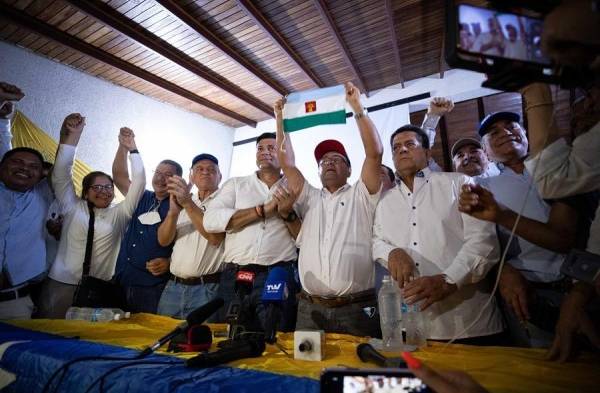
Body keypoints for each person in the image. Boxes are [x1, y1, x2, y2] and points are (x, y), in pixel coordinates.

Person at [459, 112, 585, 347]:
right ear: (487, 152)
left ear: (526, 134)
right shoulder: (481, 188)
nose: (505, 132)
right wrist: (501, 269)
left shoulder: (561, 169)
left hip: (584, 287)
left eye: (511, 126)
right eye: (494, 133)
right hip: (526, 295)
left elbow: (565, 237)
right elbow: (473, 241)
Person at [373, 125, 504, 344]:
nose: (402, 150)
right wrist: (391, 252)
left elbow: (484, 242)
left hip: (470, 324)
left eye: (410, 144)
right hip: (413, 328)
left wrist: (448, 280)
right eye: (396, 148)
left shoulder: (459, 183)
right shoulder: (385, 201)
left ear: (427, 152)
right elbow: (376, 240)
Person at [274, 81, 384, 337]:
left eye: (337, 160)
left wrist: (356, 106)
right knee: (305, 376)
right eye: (324, 161)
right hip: (309, 309)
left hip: (356, 309)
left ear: (349, 169)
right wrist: (280, 119)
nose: (329, 163)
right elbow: (287, 163)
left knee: (359, 374)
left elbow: (375, 153)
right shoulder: (309, 196)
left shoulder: (362, 193)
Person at [37, 114, 146, 318]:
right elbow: (61, 172)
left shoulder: (119, 214)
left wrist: (132, 149)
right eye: (97, 187)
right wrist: (73, 136)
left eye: (108, 187)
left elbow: (138, 184)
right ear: (85, 192)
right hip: (62, 284)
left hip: (100, 288)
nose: (104, 191)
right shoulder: (72, 206)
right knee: (51, 337)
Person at [203, 132, 300, 333]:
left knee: (274, 340)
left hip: (277, 275)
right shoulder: (236, 184)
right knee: (229, 338)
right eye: (260, 148)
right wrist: (261, 211)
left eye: (272, 148)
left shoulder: (297, 188)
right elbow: (211, 221)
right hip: (235, 276)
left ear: (284, 155)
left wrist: (286, 213)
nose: (265, 152)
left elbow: (304, 237)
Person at [112, 127, 183, 313]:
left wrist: (169, 262)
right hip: (121, 277)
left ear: (178, 180)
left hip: (152, 285)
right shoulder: (141, 196)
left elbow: (187, 244)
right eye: (157, 172)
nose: (160, 178)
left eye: (167, 175)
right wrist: (123, 147)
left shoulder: (182, 206)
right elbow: (120, 176)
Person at [0, 83, 52, 319]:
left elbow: (62, 170)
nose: (24, 169)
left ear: (42, 174)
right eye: (17, 163)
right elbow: (3, 146)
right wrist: (4, 119)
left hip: (15, 303)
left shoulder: (41, 196)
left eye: (33, 167)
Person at [156, 154, 225, 320]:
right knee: (161, 338)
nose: (205, 172)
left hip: (207, 289)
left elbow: (215, 238)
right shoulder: (183, 201)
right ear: (191, 176)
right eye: (199, 169)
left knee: (200, 342)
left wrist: (187, 203)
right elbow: (163, 240)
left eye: (211, 170)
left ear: (220, 176)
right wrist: (173, 212)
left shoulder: (225, 202)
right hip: (173, 286)